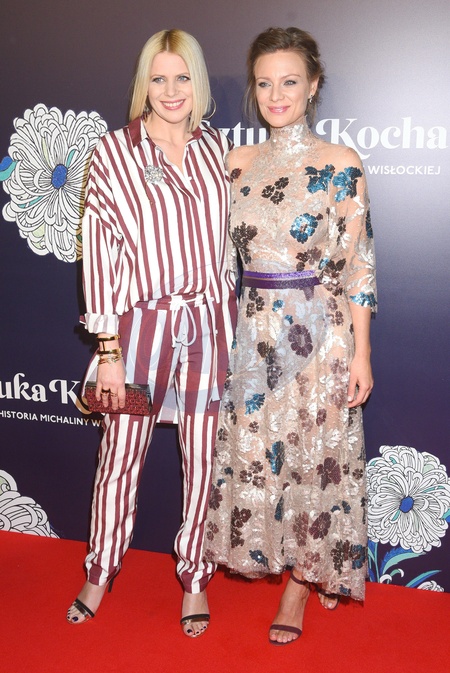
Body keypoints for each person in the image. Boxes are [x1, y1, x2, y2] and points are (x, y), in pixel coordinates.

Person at [204, 26, 376, 645]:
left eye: (290, 82)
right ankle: (295, 560)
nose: (276, 95)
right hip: (253, 333)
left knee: (312, 459)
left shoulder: (340, 163)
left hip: (319, 335)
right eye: (265, 83)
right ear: (254, 90)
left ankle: (301, 583)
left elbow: (358, 266)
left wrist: (361, 353)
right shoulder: (236, 163)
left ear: (313, 85)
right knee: (260, 457)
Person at [67, 29, 236, 638]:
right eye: (159, 78)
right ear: (144, 84)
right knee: (120, 454)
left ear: (198, 83)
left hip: (209, 327)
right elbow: (100, 255)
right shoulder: (114, 153)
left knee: (206, 458)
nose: (170, 90)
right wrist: (107, 349)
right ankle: (100, 569)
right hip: (138, 331)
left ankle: (195, 576)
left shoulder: (217, 149)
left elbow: (227, 246)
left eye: (182, 77)